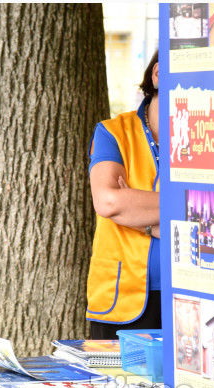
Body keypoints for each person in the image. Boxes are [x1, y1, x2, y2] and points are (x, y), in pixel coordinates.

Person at [86, 51, 161, 339]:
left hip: (186, 293)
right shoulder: (113, 131)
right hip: (119, 298)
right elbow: (108, 201)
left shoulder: (205, 137)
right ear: (157, 75)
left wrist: (138, 214)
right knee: (115, 385)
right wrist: (182, 210)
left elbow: (212, 213)